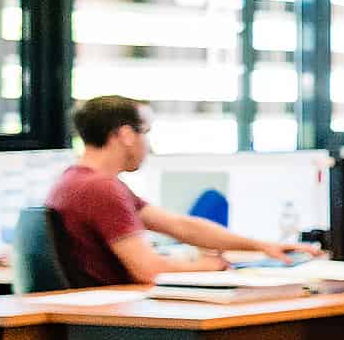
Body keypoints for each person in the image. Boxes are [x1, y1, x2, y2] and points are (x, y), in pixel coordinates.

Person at [48, 95, 314, 288]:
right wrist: (207, 267)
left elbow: (181, 226)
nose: (148, 145)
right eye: (146, 132)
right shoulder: (101, 188)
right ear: (127, 135)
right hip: (117, 318)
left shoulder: (78, 180)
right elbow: (149, 270)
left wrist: (262, 246)